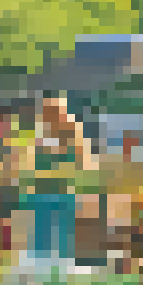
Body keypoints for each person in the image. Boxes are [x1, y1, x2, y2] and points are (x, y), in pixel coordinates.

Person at [9, 93, 97, 270]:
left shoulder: (73, 138)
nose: (50, 118)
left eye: (55, 113)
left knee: (62, 248)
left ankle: (57, 274)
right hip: (42, 199)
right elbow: (23, 170)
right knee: (42, 248)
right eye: (48, 114)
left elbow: (85, 168)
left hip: (62, 198)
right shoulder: (38, 139)